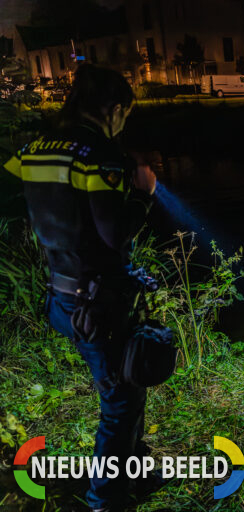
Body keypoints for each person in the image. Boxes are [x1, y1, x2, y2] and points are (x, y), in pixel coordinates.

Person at [2, 65, 156, 512]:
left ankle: (134, 466)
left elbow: (11, 199)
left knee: (124, 383)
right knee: (120, 401)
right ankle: (105, 500)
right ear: (114, 109)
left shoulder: (35, 148)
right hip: (97, 305)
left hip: (62, 295)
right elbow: (115, 234)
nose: (123, 123)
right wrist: (144, 193)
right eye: (124, 114)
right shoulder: (99, 153)